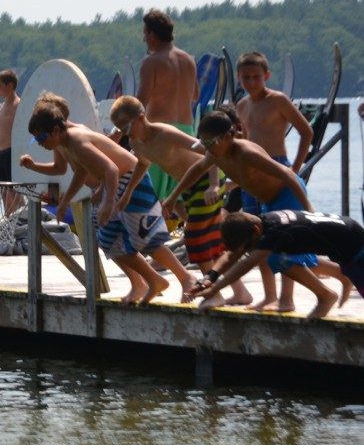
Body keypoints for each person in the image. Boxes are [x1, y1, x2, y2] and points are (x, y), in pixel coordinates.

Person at [23, 106, 195, 304]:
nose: (40, 143)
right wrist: (65, 202)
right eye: (36, 140)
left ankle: (186, 278)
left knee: (145, 238)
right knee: (109, 241)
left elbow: (111, 169)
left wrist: (108, 201)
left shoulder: (77, 140)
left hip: (131, 179)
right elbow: (80, 171)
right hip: (110, 185)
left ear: (55, 130)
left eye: (41, 138)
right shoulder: (65, 143)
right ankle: (147, 282)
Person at [164, 110, 326, 312]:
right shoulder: (216, 153)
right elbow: (197, 169)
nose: (207, 149)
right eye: (203, 144)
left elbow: (287, 175)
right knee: (262, 247)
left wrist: (308, 209)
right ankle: (272, 296)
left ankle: (288, 299)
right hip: (268, 199)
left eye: (210, 143)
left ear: (228, 136)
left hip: (288, 194)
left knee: (285, 251)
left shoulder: (246, 153)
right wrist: (172, 197)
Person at [108, 95, 243, 303]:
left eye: (126, 127)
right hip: (187, 186)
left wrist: (215, 184)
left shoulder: (165, 133)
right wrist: (127, 194)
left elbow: (209, 149)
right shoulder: (138, 142)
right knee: (211, 239)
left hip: (207, 179)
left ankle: (213, 293)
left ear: (141, 117)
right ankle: (240, 292)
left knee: (196, 237)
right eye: (120, 129)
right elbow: (142, 164)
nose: (125, 134)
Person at [191, 210, 364, 319]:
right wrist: (210, 277)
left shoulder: (274, 233)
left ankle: (326, 295)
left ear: (256, 232)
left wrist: (214, 289)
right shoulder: (265, 221)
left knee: (276, 259)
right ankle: (329, 292)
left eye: (249, 247)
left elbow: (245, 264)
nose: (249, 251)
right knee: (278, 259)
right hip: (347, 236)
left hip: (355, 249)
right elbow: (231, 256)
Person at [135, 8, 198, 200]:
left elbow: (139, 105)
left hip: (160, 134)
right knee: (183, 196)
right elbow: (195, 95)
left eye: (145, 34)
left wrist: (120, 132)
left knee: (151, 197)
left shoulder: (151, 62)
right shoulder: (188, 60)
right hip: (187, 131)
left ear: (152, 35)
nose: (144, 39)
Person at [233, 50, 313, 178]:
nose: (251, 82)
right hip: (251, 166)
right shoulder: (241, 105)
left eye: (256, 77)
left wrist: (294, 170)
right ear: (238, 77)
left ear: (266, 76)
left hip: (276, 163)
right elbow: (246, 140)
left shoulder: (278, 100)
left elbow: (306, 132)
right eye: (246, 77)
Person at [0, 69, 23, 215]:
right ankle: (9, 220)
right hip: (1, 153)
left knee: (15, 191)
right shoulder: (1, 106)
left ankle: (22, 218)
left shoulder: (19, 105)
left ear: (9, 85)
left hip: (13, 152)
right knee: (4, 191)